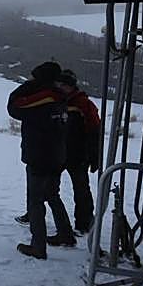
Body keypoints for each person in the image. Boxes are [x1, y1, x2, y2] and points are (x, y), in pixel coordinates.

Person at [7, 61, 76, 259]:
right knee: (52, 195)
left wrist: (32, 85)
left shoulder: (43, 96)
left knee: (35, 200)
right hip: (57, 155)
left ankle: (38, 246)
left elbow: (14, 106)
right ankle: (66, 234)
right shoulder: (61, 96)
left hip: (40, 155)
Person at [59, 69, 101, 235]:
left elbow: (95, 131)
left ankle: (84, 223)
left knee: (81, 190)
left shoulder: (84, 104)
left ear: (70, 86)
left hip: (78, 154)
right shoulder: (57, 101)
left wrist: (94, 156)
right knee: (46, 187)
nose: (60, 87)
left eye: (63, 84)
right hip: (59, 152)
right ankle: (34, 214)